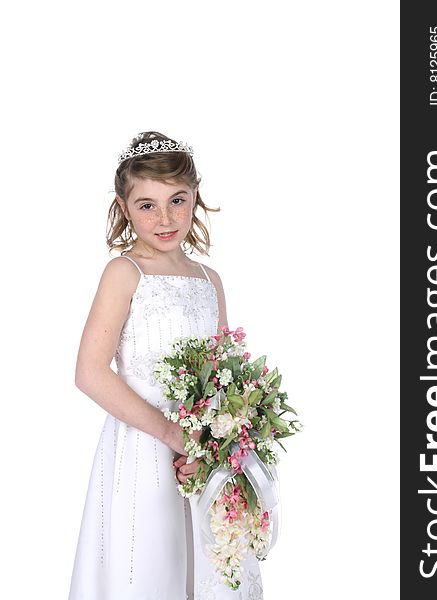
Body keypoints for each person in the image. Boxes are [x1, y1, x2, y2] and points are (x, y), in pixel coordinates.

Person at [68, 131, 264, 600]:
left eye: (177, 200)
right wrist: (173, 434)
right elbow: (90, 372)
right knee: (148, 566)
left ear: (195, 196)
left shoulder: (208, 279)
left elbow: (222, 373)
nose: (165, 218)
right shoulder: (125, 272)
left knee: (208, 564)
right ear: (123, 206)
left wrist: (228, 436)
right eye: (147, 205)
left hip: (203, 454)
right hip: (142, 450)